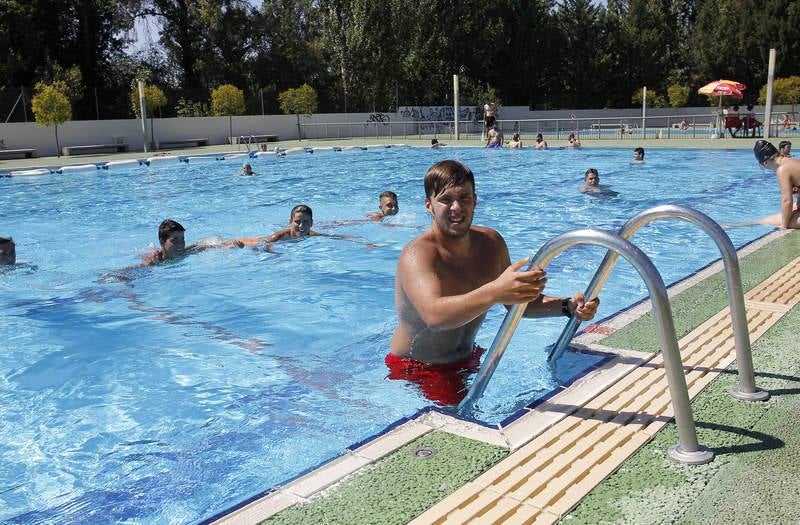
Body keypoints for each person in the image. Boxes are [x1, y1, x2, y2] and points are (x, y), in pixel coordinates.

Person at [387, 160, 600, 405]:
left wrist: (567, 307)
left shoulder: (491, 243)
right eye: (446, 199)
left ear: (475, 200)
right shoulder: (418, 255)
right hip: (419, 369)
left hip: (468, 356)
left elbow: (517, 305)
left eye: (464, 198)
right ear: (429, 206)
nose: (456, 207)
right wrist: (498, 290)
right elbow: (435, 317)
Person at [141, 220, 244, 266]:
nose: (181, 244)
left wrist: (228, 245)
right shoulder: (155, 260)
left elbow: (206, 245)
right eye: (175, 240)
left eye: (182, 239)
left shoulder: (185, 252)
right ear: (162, 241)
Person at [752, 140, 800, 229]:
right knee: (786, 214)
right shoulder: (792, 160)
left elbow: (787, 201)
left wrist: (784, 226)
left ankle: (742, 224)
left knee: (779, 220)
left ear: (765, 163)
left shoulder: (782, 170)